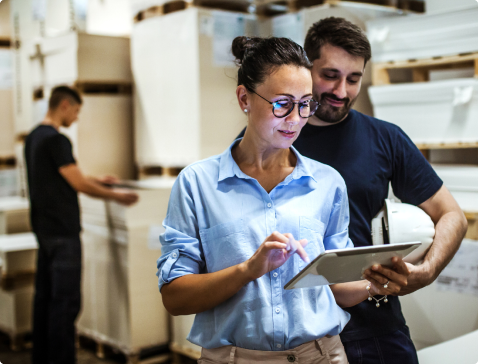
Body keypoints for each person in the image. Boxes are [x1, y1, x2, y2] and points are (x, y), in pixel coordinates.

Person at [156, 36, 409, 364]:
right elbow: (175, 298)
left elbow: (334, 286)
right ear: (244, 98)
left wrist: (377, 283)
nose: (295, 119)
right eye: (282, 104)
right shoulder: (197, 184)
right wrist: (249, 269)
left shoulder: (327, 183)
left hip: (321, 355)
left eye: (305, 104)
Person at [273, 17, 466, 364]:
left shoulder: (385, 138)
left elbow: (452, 215)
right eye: (330, 75)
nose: (341, 91)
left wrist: (426, 272)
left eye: (354, 79)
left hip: (376, 327)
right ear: (306, 65)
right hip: (296, 334)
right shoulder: (273, 140)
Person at [25, 85, 139, 364]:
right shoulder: (57, 140)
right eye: (76, 111)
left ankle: (42, 358)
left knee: (45, 299)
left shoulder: (33, 138)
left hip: (44, 232)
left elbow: (62, 176)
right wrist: (117, 196)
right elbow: (77, 183)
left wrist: (98, 180)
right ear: (64, 105)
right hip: (63, 234)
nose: (75, 118)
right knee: (65, 304)